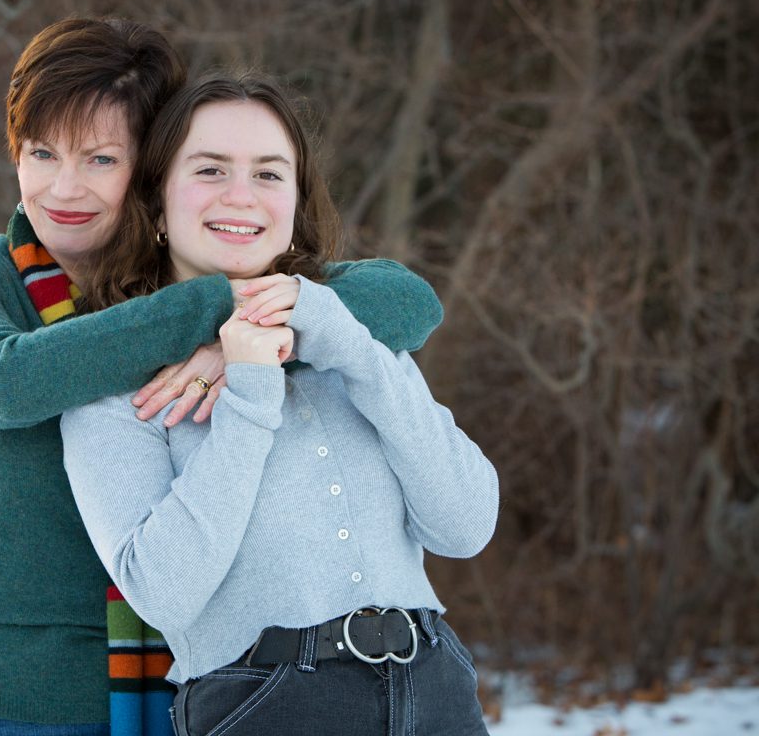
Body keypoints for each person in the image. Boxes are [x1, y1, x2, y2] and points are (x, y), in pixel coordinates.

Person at [0, 18, 445, 736]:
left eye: (101, 159)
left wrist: (254, 337)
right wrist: (233, 313)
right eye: (41, 153)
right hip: (14, 697)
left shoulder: (198, 273)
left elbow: (407, 300)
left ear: (154, 169)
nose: (64, 188)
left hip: (209, 683)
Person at [61, 72, 498, 736]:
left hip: (434, 688)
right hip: (269, 704)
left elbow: (465, 527)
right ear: (154, 204)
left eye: (269, 174)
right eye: (210, 170)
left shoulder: (353, 347)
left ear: (295, 201)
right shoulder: (118, 389)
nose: (242, 196)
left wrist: (350, 347)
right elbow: (165, 594)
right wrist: (250, 391)